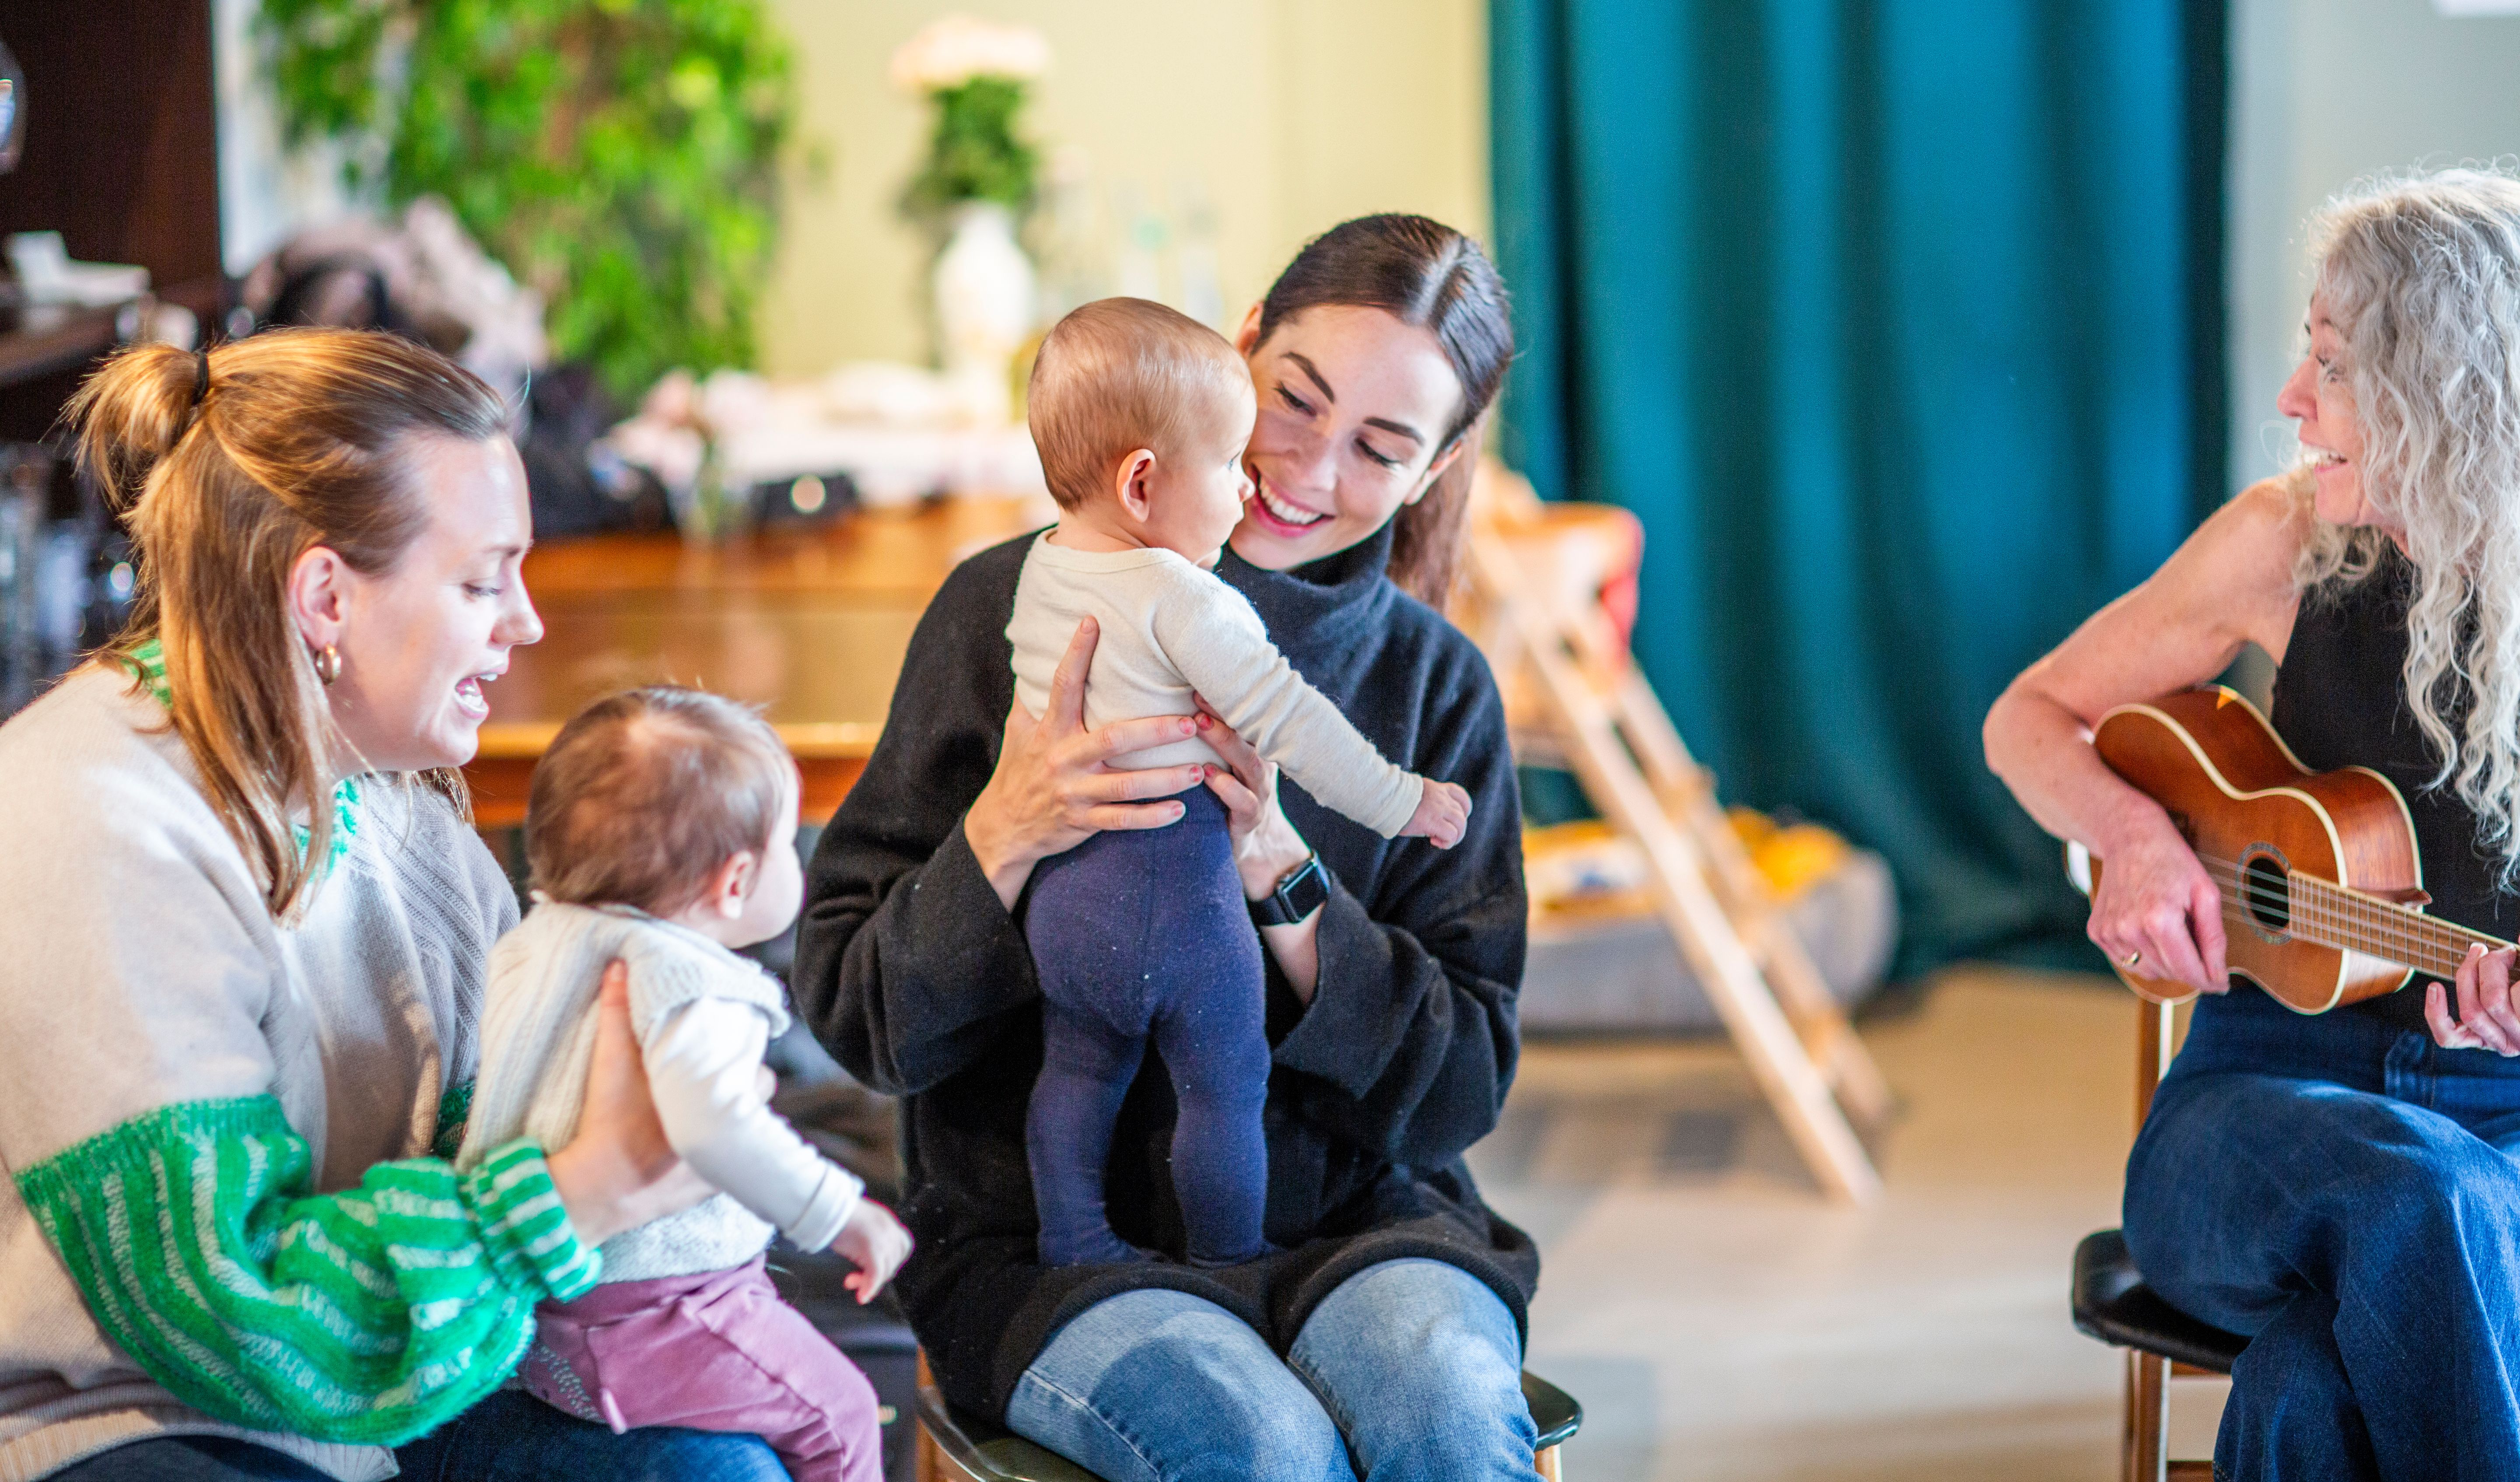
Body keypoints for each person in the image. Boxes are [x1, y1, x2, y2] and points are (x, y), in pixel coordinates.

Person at [795, 214, 1536, 1482]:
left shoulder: (1435, 688)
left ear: (1441, 464)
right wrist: (1005, 833)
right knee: (1257, 1449)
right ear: (1237, 346)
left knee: (1452, 1421)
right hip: (1050, 1247)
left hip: (1367, 1225)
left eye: (1381, 446)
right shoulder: (1007, 609)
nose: (1300, 469)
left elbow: (1463, 1084)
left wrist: (1284, 878)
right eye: (1293, 401)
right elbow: (859, 1017)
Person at [0, 329, 783, 1482]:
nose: (524, 623)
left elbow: (499, 1127)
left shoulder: (396, 801)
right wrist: (585, 1185)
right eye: (480, 579)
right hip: (142, 1427)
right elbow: (230, 1314)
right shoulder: (96, 817)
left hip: (372, 1401)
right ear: (324, 594)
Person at [1984, 168, 2520, 1478]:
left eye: (2330, 367)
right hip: (2255, 1107)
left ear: (2441, 390)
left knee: (2304, 1384)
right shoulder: (2283, 545)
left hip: (2503, 1130)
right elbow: (2030, 715)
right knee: (2414, 1189)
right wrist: (2137, 837)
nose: (2293, 401)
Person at [1010, 297, 1474, 1271]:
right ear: (1142, 482)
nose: (1258, 483)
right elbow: (1291, 720)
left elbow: (1464, 1081)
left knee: (1078, 1067)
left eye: (1378, 448)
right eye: (1230, 463)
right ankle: (1233, 1260)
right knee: (1226, 1078)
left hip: (1065, 907)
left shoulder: (1044, 566)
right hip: (1174, 892)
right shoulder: (1186, 596)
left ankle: (1074, 1238)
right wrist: (1403, 798)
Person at [457, 687, 914, 1482]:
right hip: (659, 1309)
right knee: (840, 1414)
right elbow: (713, 1127)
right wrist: (842, 1215)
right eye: (786, 842)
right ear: (736, 882)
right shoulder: (689, 982)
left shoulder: (532, 946)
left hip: (539, 1310)